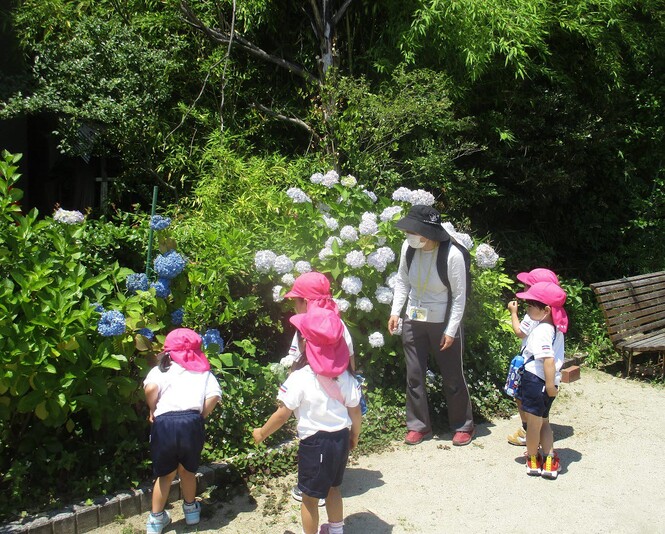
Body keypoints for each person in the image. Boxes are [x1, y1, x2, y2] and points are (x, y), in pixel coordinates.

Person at [253, 307, 362, 534]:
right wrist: (355, 436)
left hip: (315, 444)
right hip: (341, 439)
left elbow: (282, 414)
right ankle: (336, 530)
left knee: (309, 498)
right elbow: (355, 412)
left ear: (305, 343)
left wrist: (262, 433)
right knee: (334, 488)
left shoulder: (300, 378)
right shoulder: (347, 376)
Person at [387, 204, 475, 446]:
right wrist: (396, 312)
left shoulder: (452, 255)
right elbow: (402, 281)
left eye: (413, 232)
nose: (408, 236)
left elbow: (459, 296)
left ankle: (463, 425)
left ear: (428, 232)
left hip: (443, 321)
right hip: (413, 318)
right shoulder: (409, 248)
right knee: (414, 375)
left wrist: (450, 329)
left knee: (452, 375)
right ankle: (418, 426)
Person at [282, 271, 363, 505]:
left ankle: (313, 490)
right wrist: (352, 386)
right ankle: (328, 486)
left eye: (296, 301)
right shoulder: (337, 324)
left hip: (313, 397)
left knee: (314, 441)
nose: (294, 306)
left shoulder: (305, 328)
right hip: (337, 396)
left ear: (306, 302)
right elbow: (350, 359)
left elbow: (296, 360)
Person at [143, 328, 222, 534]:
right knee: (188, 470)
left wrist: (153, 409)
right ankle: (191, 512)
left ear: (168, 350)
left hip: (165, 423)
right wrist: (200, 415)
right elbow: (214, 395)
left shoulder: (161, 370)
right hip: (191, 422)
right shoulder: (203, 371)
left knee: (165, 474)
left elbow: (150, 389)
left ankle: (156, 520)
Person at [514, 282, 568, 479]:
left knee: (533, 426)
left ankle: (533, 458)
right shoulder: (557, 328)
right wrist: (553, 384)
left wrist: (548, 383)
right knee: (545, 423)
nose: (527, 310)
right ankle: (549, 459)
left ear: (545, 310)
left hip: (537, 382)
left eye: (530, 306)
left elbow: (548, 360)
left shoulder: (542, 330)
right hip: (549, 384)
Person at [506, 268, 560, 446]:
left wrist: (513, 313)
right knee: (540, 410)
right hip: (544, 372)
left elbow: (520, 332)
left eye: (528, 285)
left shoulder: (535, 314)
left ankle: (527, 431)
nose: (525, 288)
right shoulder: (555, 316)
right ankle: (535, 435)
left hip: (532, 368)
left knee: (522, 398)